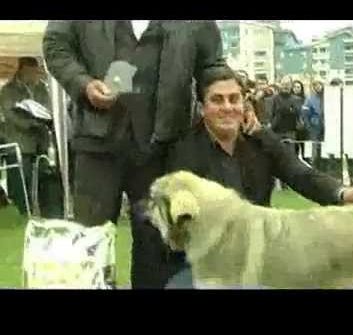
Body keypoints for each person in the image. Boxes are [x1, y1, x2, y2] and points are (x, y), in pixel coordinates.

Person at [154, 65, 353, 288]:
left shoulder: (262, 140)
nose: (228, 107)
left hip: (262, 260)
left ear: (244, 104)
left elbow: (300, 174)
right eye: (217, 100)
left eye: (234, 99)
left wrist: (343, 193)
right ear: (202, 108)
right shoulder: (184, 151)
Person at [43, 20, 223, 289]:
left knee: (158, 248)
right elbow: (56, 45)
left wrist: (229, 94)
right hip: (97, 144)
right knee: (89, 246)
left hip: (162, 145)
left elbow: (212, 64)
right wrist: (84, 84)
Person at [0, 57, 51, 216]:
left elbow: (47, 106)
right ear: (21, 70)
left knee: (44, 178)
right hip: (19, 141)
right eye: (31, 71)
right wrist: (30, 123)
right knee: (21, 180)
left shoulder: (41, 87)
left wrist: (44, 119)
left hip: (40, 140)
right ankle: (21, 213)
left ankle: (45, 211)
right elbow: (10, 114)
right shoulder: (8, 90)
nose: (34, 75)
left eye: (35, 72)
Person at [302, 80, 325, 171]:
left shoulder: (328, 97)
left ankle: (325, 169)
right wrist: (308, 125)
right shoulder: (310, 99)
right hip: (314, 126)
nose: (317, 87)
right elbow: (304, 113)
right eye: (315, 85)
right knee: (314, 149)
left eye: (319, 84)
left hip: (328, 127)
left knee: (325, 150)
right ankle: (315, 168)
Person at [292, 80, 308, 160]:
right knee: (294, 150)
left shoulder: (305, 99)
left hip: (304, 128)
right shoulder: (290, 99)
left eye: (298, 87)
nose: (296, 89)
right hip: (292, 127)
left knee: (305, 150)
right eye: (294, 87)